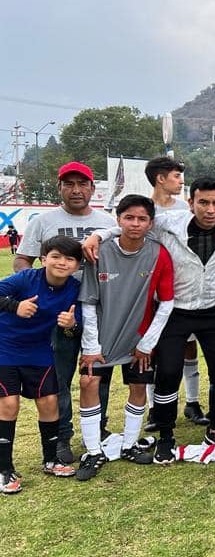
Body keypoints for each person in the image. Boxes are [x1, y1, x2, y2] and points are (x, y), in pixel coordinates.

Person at [82, 177, 215, 464]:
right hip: (176, 311)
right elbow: (135, 222)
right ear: (191, 202)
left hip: (213, 310)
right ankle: (167, 434)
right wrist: (99, 235)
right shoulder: (169, 221)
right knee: (168, 374)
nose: (210, 210)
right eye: (203, 203)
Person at [14, 162, 115, 464]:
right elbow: (23, 261)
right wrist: (39, 292)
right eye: (69, 184)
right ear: (59, 188)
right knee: (59, 377)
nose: (76, 190)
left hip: (99, 311)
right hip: (59, 313)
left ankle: (97, 430)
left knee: (97, 375)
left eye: (82, 184)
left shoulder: (106, 221)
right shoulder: (44, 221)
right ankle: (61, 437)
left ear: (92, 188)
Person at [74, 195, 175, 480]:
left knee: (138, 387)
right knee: (88, 382)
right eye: (129, 217)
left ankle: (130, 444)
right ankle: (93, 451)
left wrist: (147, 343)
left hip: (138, 340)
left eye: (142, 219)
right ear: (118, 220)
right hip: (102, 339)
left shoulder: (159, 253)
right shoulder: (99, 252)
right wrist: (91, 345)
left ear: (150, 223)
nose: (135, 223)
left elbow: (166, 302)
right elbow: (89, 302)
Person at [0, 236, 82, 493]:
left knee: (49, 402)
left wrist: (71, 325)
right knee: (8, 404)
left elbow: (75, 323)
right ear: (44, 259)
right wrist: (15, 306)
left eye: (69, 258)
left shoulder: (74, 288)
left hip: (39, 351)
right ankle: (4, 469)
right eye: (56, 256)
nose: (62, 262)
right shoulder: (26, 279)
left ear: (77, 265)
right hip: (5, 348)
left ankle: (51, 459)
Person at [147, 155, 205, 425]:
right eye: (176, 176)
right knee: (151, 348)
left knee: (189, 347)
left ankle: (192, 403)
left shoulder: (185, 207)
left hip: (183, 286)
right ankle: (153, 408)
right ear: (161, 178)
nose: (181, 181)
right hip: (150, 287)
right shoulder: (144, 209)